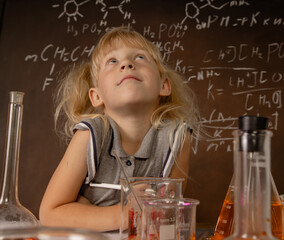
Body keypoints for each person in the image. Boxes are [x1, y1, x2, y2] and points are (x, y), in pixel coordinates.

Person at [39, 26, 200, 232]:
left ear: (164, 85)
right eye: (112, 61)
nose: (127, 64)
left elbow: (168, 215)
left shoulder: (176, 137)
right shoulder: (90, 135)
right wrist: (123, 214)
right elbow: (50, 213)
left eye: (140, 57)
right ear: (97, 96)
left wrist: (85, 211)